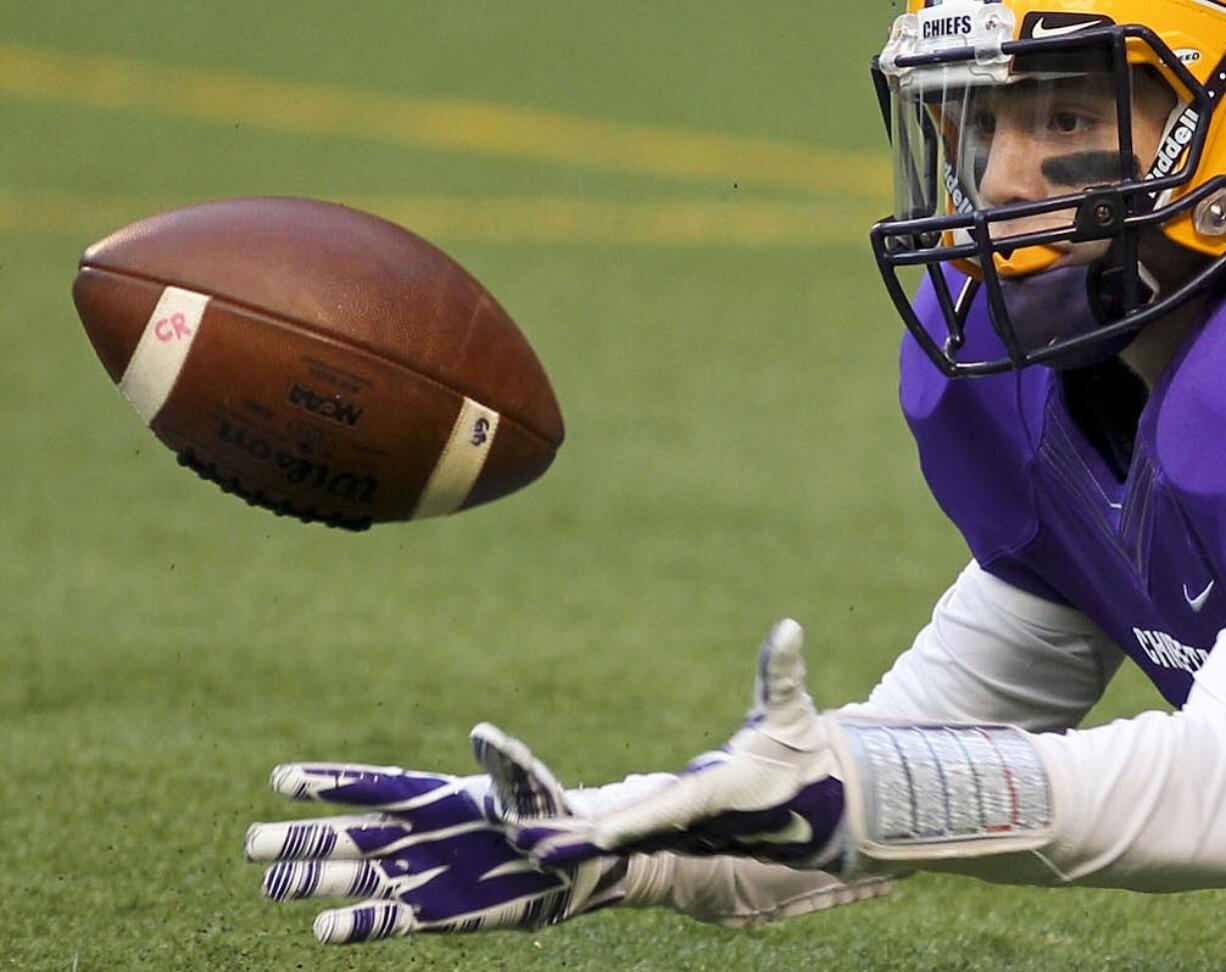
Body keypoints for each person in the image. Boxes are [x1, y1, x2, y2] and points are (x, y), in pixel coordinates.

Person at [245, 0, 1226, 943]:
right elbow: (916, 748)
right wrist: (622, 839)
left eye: (1063, 113)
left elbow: (1204, 794)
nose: (1001, 178)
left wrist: (856, 793)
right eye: (978, 119)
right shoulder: (1042, 408)